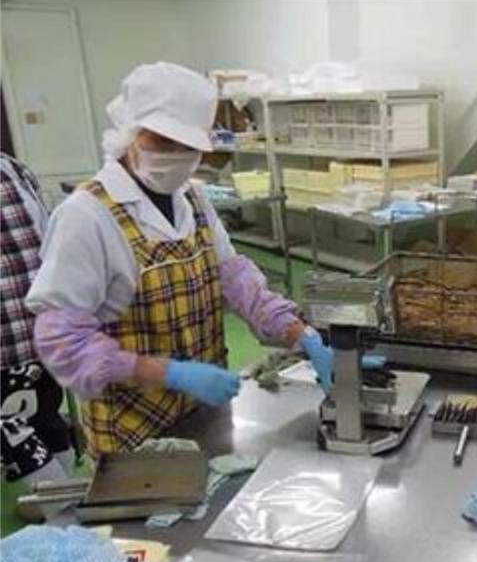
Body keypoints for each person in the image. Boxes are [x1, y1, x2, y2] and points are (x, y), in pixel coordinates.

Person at [26, 62, 335, 456]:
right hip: (131, 433)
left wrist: (301, 335)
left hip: (204, 415)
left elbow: (238, 282)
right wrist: (167, 373)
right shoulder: (86, 216)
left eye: (187, 146)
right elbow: (61, 341)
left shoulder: (192, 199)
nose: (175, 154)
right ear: (130, 132)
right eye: (162, 140)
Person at [1, 153, 75, 485]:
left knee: (19, 431)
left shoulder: (11, 168)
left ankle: (64, 506)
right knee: (41, 421)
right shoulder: (11, 167)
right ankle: (66, 496)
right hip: (38, 331)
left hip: (13, 342)